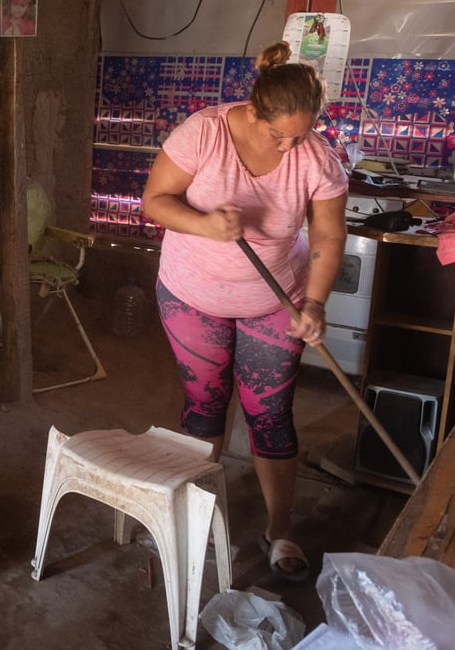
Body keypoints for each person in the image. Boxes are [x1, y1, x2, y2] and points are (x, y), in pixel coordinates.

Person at [141, 41, 347, 582]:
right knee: (205, 402)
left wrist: (316, 302)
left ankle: (281, 529)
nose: (289, 147)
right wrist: (207, 224)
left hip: (274, 297)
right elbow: (155, 199)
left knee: (271, 412)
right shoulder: (205, 132)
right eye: (279, 134)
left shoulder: (317, 157)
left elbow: (327, 233)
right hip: (192, 294)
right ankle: (190, 513)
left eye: (301, 136)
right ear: (253, 110)